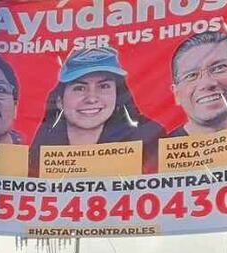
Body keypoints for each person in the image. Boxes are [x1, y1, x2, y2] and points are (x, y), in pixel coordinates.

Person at [29, 46, 165, 175]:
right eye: (79, 88)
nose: (92, 98)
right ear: (59, 101)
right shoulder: (37, 152)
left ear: (118, 96)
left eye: (104, 86)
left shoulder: (150, 139)